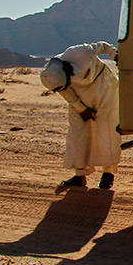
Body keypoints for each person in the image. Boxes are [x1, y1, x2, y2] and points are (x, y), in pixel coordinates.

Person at [39, 41, 121, 192]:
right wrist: (82, 109)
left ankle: (108, 173)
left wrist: (115, 55)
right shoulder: (54, 78)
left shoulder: (80, 52)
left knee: (107, 131)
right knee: (77, 135)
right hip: (80, 99)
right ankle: (80, 175)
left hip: (106, 90)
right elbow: (68, 95)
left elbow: (103, 46)